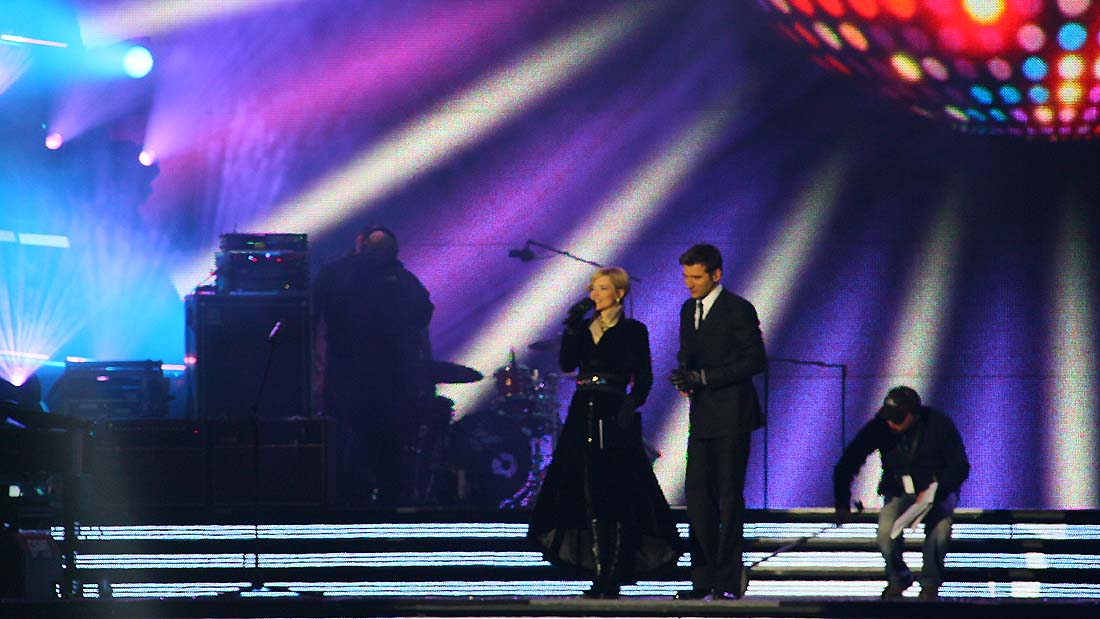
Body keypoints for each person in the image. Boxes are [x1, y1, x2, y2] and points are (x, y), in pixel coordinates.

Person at [528, 267, 680, 599]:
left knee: (615, 488)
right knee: (585, 486)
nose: (594, 295)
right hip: (583, 407)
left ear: (619, 293)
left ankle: (613, 571)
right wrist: (571, 327)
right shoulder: (584, 328)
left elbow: (644, 375)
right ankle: (598, 570)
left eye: (602, 288)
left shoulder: (632, 330)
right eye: (592, 289)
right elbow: (567, 364)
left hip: (614, 409)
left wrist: (631, 404)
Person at [670, 243, 766, 601]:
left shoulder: (737, 308)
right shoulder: (688, 309)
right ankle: (703, 576)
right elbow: (689, 353)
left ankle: (727, 576)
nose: (689, 283)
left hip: (732, 415)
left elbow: (755, 360)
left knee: (728, 497)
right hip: (702, 416)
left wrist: (706, 378)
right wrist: (685, 377)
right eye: (686, 277)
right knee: (697, 497)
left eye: (696, 277)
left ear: (716, 274)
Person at [312, 224, 433, 506]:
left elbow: (311, 318)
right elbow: (423, 314)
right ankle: (380, 507)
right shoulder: (397, 277)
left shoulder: (338, 273)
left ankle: (350, 508)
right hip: (375, 382)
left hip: (361, 381)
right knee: (381, 454)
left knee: (351, 451)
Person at [833, 386, 970, 601]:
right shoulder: (880, 427)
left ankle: (930, 584)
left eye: (897, 419)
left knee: (940, 529)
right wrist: (842, 503)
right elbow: (847, 463)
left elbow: (960, 467)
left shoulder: (939, 424)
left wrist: (935, 489)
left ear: (914, 415)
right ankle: (898, 578)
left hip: (938, 490)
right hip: (900, 490)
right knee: (886, 531)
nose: (891, 423)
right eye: (889, 417)